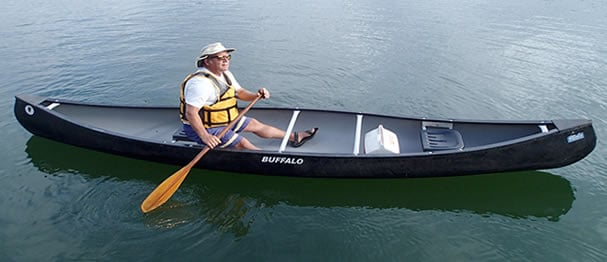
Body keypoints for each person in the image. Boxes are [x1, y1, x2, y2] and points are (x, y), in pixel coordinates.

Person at [179, 42, 318, 150]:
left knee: (255, 124)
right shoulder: (200, 84)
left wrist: (256, 95)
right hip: (206, 128)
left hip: (225, 120)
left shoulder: (225, 74)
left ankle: (295, 137)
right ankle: (265, 160)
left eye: (227, 57)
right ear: (207, 61)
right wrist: (205, 136)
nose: (226, 60)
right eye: (220, 58)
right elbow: (191, 113)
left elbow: (239, 92)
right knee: (243, 143)